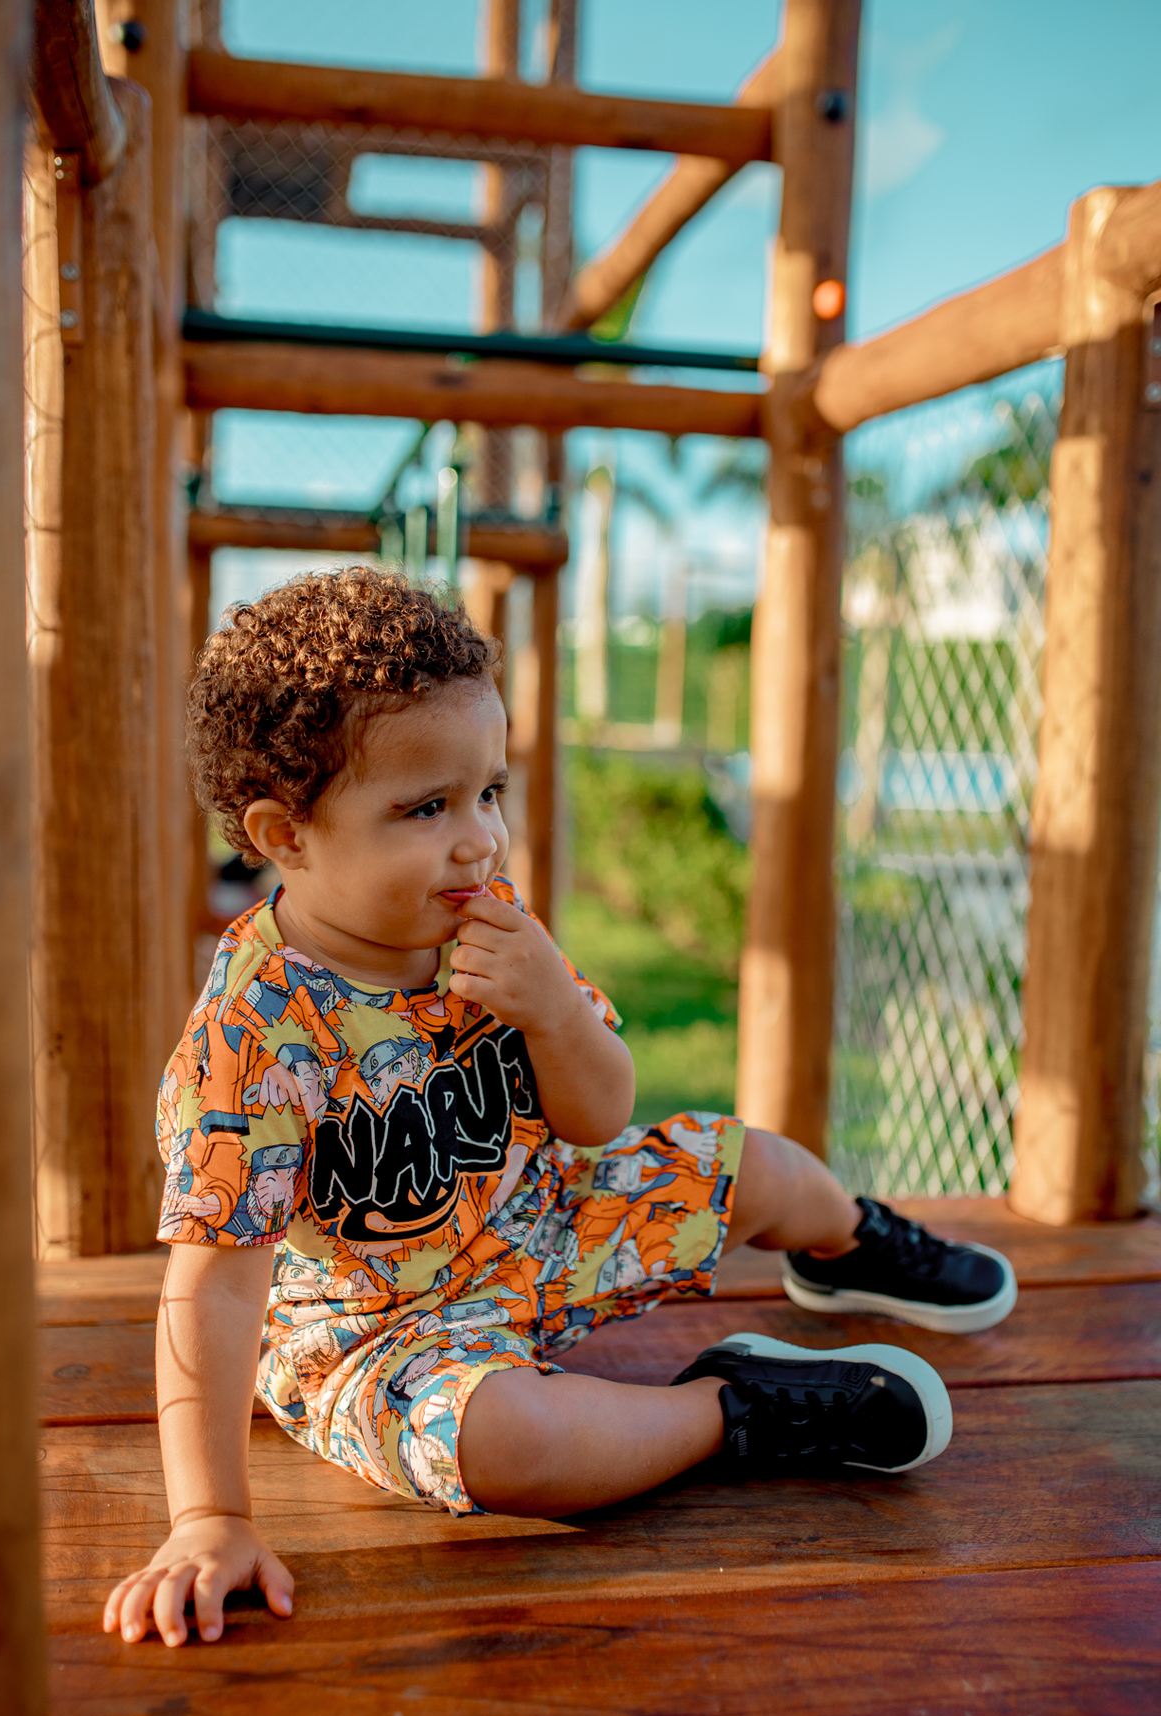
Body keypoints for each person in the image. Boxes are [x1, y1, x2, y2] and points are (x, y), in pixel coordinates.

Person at [103, 567, 1017, 1650]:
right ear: (286, 834)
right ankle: (732, 1409)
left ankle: (847, 1247)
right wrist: (208, 1518)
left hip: (546, 1216)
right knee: (519, 1445)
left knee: (761, 1163)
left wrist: (552, 1010)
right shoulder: (253, 1037)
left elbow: (600, 1115)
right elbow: (211, 1288)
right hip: (376, 1335)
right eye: (426, 807)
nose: (479, 839)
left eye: (488, 792)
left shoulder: (482, 920)